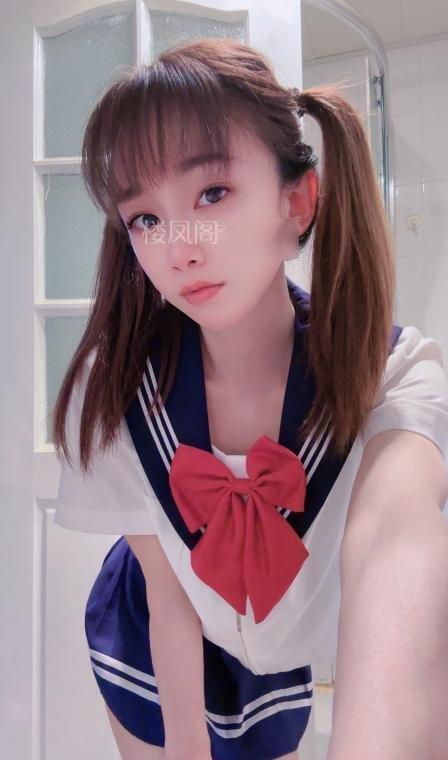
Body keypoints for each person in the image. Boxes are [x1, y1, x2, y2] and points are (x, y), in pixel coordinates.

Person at [51, 37, 448, 760]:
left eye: (212, 193)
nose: (179, 247)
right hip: (148, 633)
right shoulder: (117, 392)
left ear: (295, 202)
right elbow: (167, 594)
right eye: (145, 218)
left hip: (270, 654)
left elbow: (394, 542)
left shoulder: (394, 376)